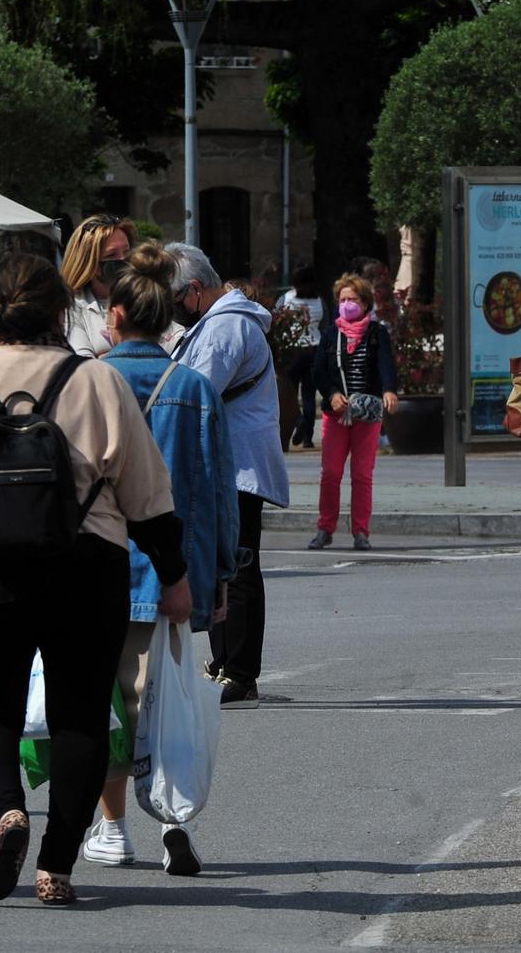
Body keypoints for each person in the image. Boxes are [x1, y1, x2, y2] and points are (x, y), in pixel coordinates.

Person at [0, 253, 190, 906]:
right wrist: (173, 576)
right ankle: (56, 865)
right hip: (84, 562)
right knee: (81, 715)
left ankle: (7, 810)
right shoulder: (95, 381)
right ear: (62, 313)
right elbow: (148, 496)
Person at [83, 244, 240, 876]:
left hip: (97, 568)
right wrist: (222, 573)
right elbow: (220, 491)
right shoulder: (195, 389)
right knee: (167, 703)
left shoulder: (90, 383)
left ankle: (113, 825)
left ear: (115, 317)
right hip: (171, 573)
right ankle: (174, 819)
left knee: (107, 704)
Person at [167, 242, 287, 704]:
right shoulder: (223, 323)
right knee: (224, 567)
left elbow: (195, 390)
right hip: (228, 464)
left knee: (237, 568)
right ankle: (224, 665)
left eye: (175, 298)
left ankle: (239, 671)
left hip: (237, 468)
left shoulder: (226, 328)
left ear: (194, 289)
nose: (174, 310)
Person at [307, 273, 400, 551]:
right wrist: (333, 394)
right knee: (331, 473)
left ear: (365, 303)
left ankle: (361, 531)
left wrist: (389, 390)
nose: (347, 304)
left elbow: (386, 365)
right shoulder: (330, 334)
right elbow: (318, 372)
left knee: (362, 474)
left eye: (353, 299)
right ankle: (325, 528)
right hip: (336, 414)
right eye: (343, 299)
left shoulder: (376, 333)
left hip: (366, 413)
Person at [61, 215, 135, 358]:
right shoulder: (72, 308)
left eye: (126, 251)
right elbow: (84, 366)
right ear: (89, 263)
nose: (122, 260)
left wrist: (105, 356)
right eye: (111, 255)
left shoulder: (145, 296)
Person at [277, 266, 326, 449]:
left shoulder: (286, 298)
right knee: (309, 395)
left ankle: (297, 420)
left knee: (289, 392)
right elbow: (324, 325)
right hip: (314, 348)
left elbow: (276, 317)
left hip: (293, 349)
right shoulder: (320, 301)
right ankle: (308, 438)